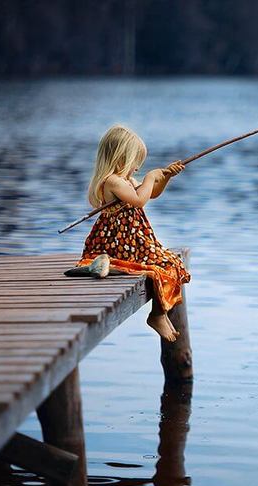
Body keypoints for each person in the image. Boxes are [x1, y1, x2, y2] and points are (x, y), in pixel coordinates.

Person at [74, 125, 190, 341]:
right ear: (120, 158)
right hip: (119, 243)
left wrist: (164, 178)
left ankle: (161, 313)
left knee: (172, 262)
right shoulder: (112, 181)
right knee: (163, 264)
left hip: (134, 240)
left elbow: (151, 194)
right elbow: (139, 200)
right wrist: (150, 177)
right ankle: (157, 315)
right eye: (135, 162)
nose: (137, 168)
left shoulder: (125, 180)